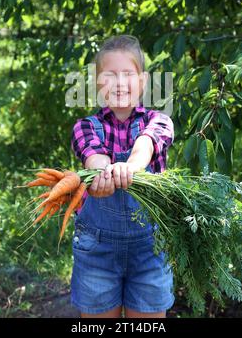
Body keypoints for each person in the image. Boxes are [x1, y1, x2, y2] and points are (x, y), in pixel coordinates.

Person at [70, 35, 175, 318]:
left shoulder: (159, 121)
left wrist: (131, 166)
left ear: (142, 81)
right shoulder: (85, 127)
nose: (119, 83)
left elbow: (146, 145)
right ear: (97, 84)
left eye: (127, 74)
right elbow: (94, 157)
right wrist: (104, 172)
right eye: (110, 75)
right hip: (97, 249)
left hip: (150, 249)